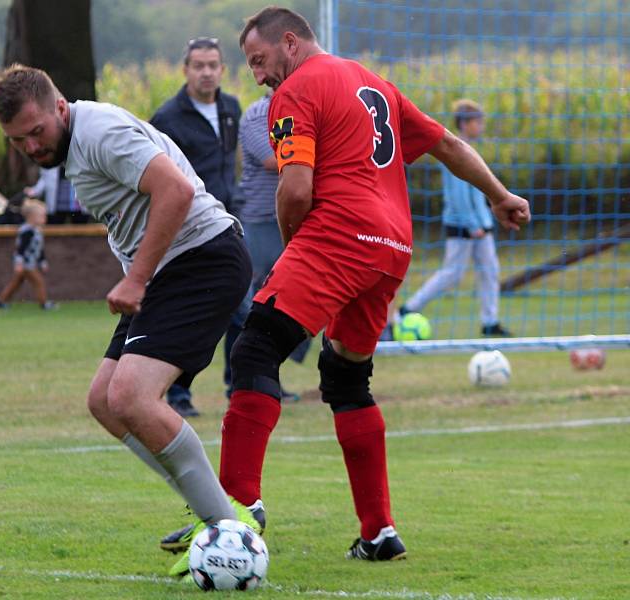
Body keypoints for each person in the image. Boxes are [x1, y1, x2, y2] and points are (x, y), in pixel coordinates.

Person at [162, 7, 531, 572]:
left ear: (289, 42)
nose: (257, 76)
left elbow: (296, 188)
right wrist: (501, 194)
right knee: (345, 377)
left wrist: (294, 248)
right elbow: (449, 145)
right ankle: (379, 530)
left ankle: (235, 509)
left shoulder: (297, 91)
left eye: (258, 60)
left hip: (337, 236)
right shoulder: (373, 83)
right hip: (392, 249)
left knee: (255, 349)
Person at [0, 64, 260, 569]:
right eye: (17, 140)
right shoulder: (74, 144)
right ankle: (212, 510)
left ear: (60, 108)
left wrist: (135, 278)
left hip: (202, 256)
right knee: (105, 400)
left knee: (130, 395)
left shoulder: (100, 133)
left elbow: (176, 192)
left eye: (36, 132)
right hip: (170, 270)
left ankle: (226, 528)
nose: (30, 146)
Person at [150, 37, 243, 417]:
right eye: (199, 65)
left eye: (213, 65)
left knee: (241, 309)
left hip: (228, 224)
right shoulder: (166, 118)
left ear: (222, 69)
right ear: (185, 70)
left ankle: (241, 388)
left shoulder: (231, 108)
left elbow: (230, 164)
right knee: (201, 314)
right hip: (187, 231)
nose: (206, 72)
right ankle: (177, 392)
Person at [399, 99, 511, 336]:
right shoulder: (455, 151)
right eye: (477, 122)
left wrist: (484, 221)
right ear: (464, 123)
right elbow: (459, 195)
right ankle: (408, 309)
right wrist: (472, 225)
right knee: (452, 274)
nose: (481, 126)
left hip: (482, 225)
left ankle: (490, 322)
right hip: (463, 226)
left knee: (490, 271)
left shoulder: (471, 149)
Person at [236, 91, 310, 398]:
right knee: (257, 302)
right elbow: (274, 159)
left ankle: (270, 371)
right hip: (262, 218)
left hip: (294, 216)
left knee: (294, 295)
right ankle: (251, 379)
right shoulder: (258, 114)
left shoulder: (306, 108)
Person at [0, 199, 56, 310]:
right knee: (39, 282)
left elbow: (39, 249)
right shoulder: (27, 231)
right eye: (42, 216)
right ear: (32, 217)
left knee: (15, 283)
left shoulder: (37, 231)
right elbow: (21, 249)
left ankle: (1, 301)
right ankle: (44, 304)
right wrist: (19, 263)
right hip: (26, 264)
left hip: (30, 263)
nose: (45, 218)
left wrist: (42, 261)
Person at [24, 166, 90, 224]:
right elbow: (45, 179)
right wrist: (35, 190)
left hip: (78, 206)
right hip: (57, 206)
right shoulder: (51, 160)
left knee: (80, 231)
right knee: (54, 230)